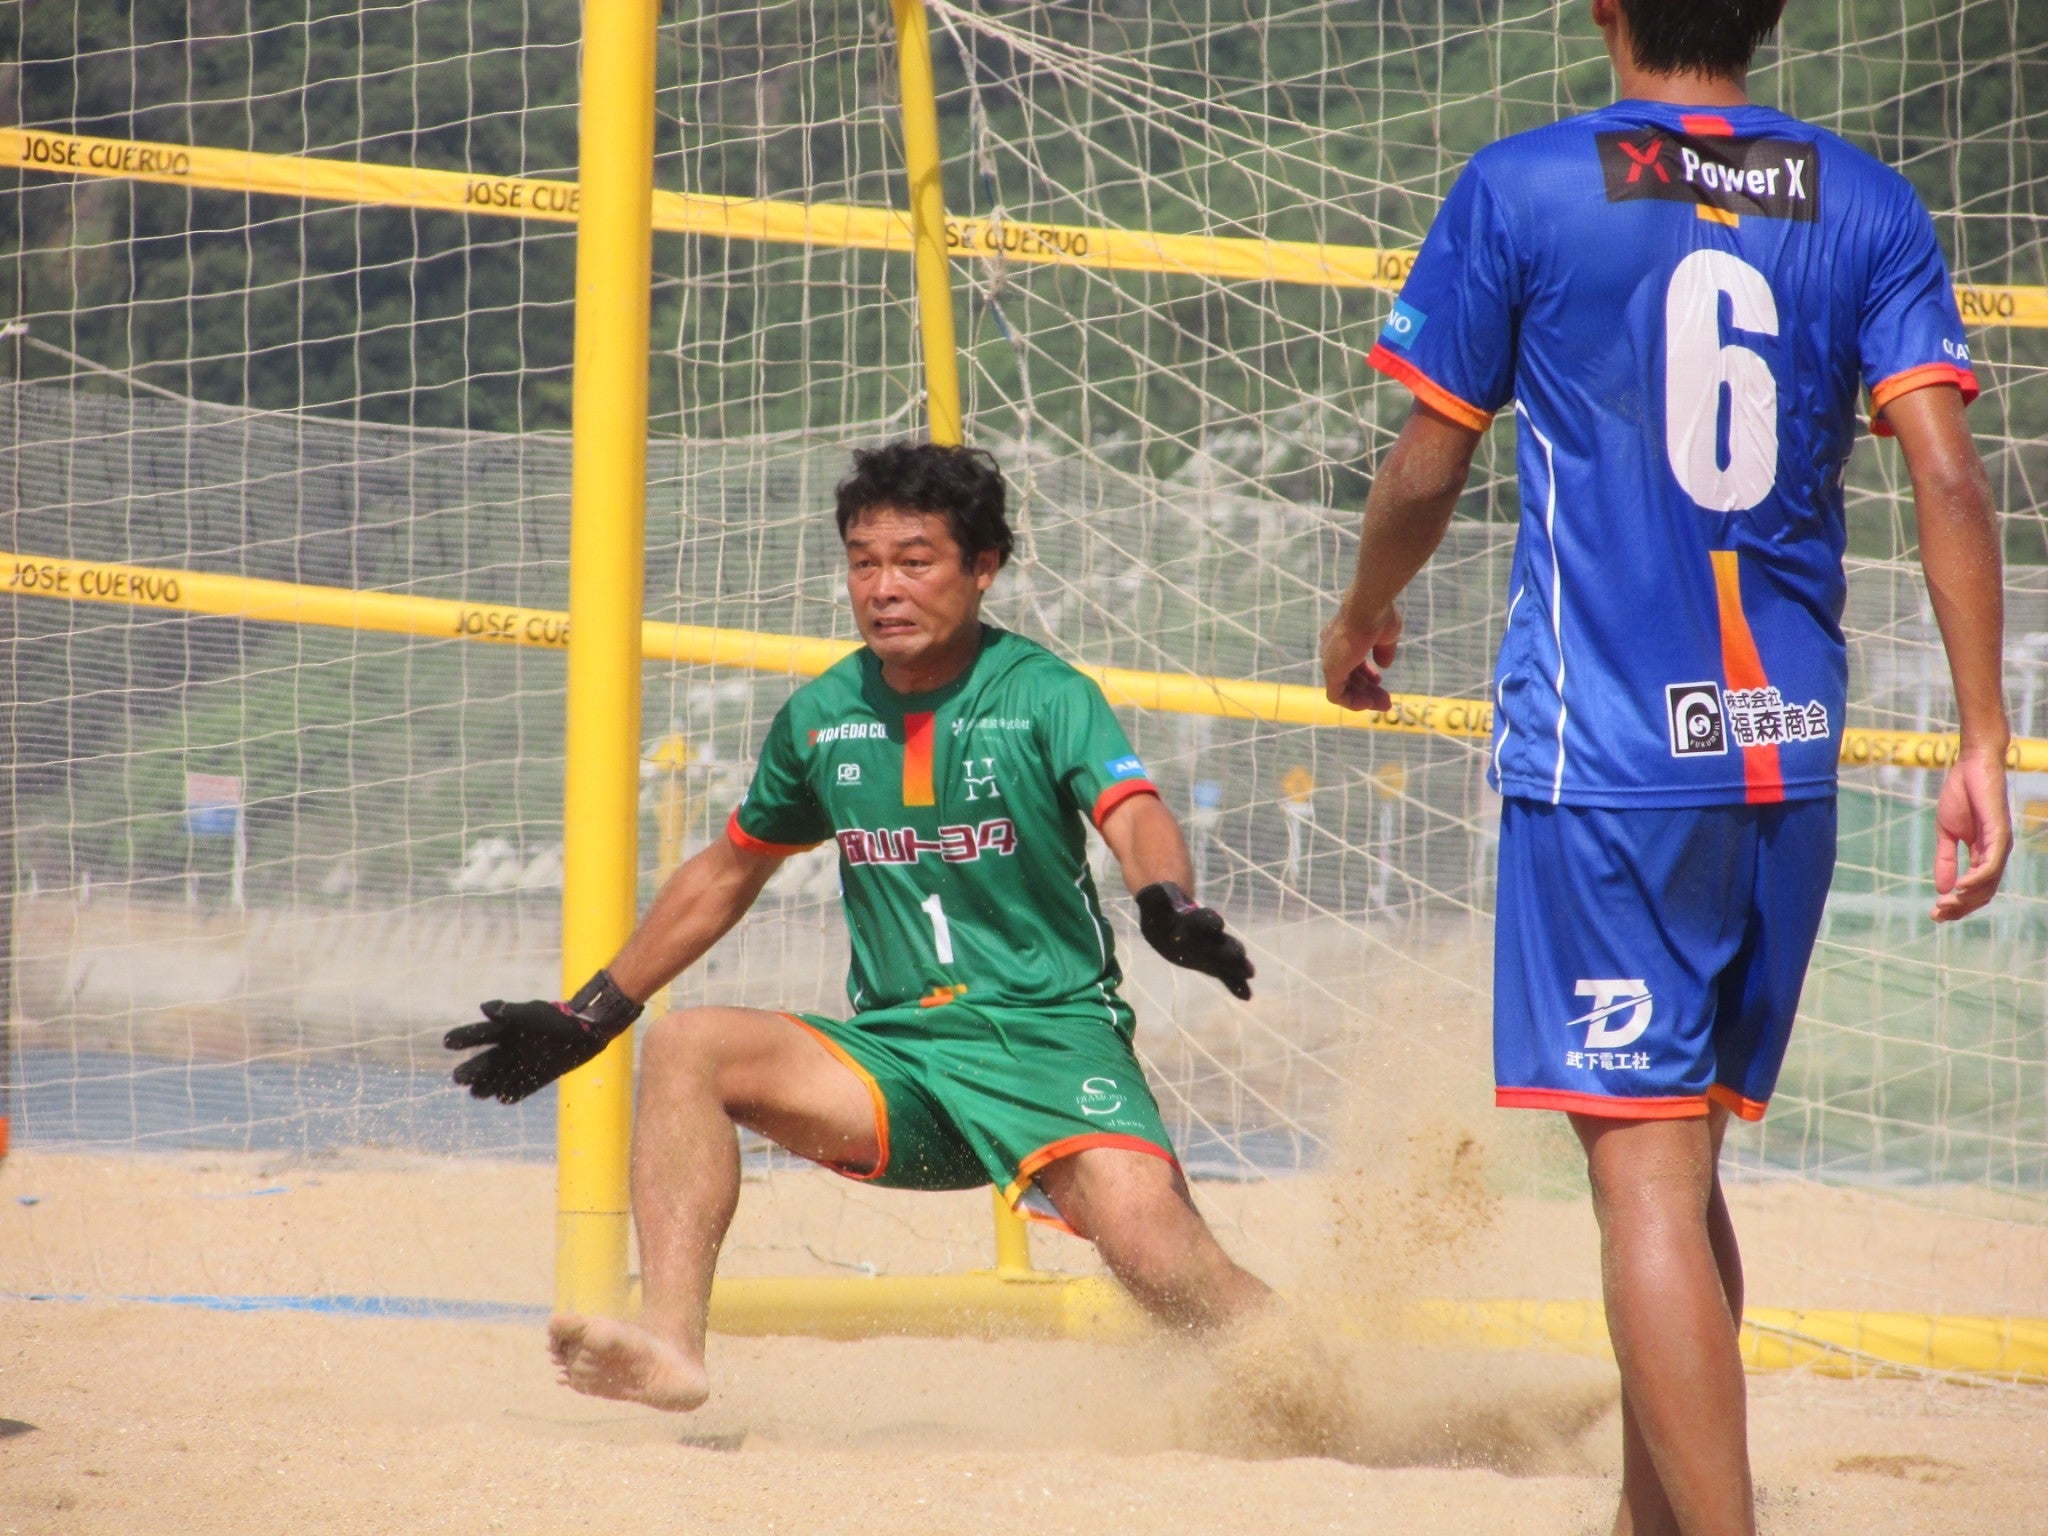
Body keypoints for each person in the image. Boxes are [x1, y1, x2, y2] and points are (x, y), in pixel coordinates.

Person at [1317, 3, 2009, 1533]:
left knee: (1639, 1184)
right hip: (1785, 756)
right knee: (1683, 1172)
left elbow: (1428, 459)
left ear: (1604, 11)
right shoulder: (1868, 196)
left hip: (1611, 751)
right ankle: (1654, 1515)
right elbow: (1949, 476)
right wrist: (1982, 742)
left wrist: (1365, 612)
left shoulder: (1524, 184)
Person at [449, 440, 1270, 1412]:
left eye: (914, 560)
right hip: (898, 1067)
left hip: (1049, 1046)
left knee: (1160, 1261)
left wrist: (1163, 903)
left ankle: (1331, 1387)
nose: (882, 586)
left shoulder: (1045, 694)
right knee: (689, 1046)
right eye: (862, 560)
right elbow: (728, 870)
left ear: (982, 568)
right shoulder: (821, 715)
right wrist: (592, 1011)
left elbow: (1130, 811)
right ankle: (671, 1342)